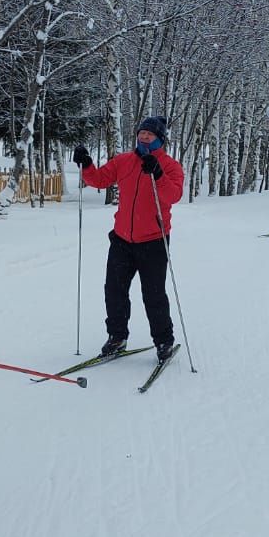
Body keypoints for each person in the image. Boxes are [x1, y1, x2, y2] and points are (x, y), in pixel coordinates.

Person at [72, 116, 184, 363]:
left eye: (150, 134)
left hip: (154, 241)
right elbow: (99, 179)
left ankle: (164, 341)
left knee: (153, 295)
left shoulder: (170, 166)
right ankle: (117, 337)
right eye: (142, 133)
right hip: (122, 240)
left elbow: (173, 196)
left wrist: (158, 175)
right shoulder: (124, 161)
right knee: (114, 291)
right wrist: (87, 164)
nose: (144, 137)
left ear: (160, 138)